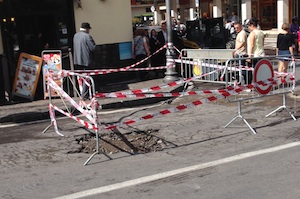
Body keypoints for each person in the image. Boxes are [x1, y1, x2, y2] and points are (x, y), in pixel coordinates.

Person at [73, 22, 96, 99]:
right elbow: (93, 48)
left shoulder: (75, 36)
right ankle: (84, 94)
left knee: (81, 77)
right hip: (86, 61)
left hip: (77, 60)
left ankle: (83, 93)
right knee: (87, 77)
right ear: (86, 29)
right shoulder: (87, 36)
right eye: (89, 29)